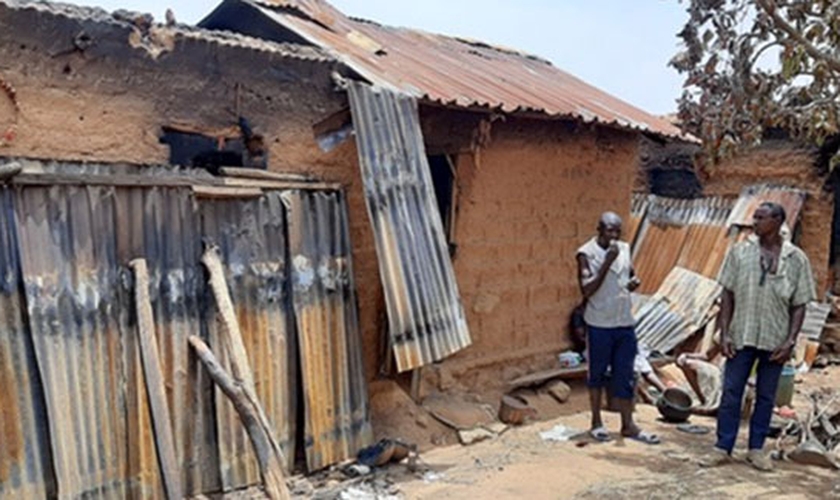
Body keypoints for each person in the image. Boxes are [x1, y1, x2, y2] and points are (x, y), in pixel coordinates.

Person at [700, 202, 815, 471]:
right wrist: (725, 333)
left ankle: (756, 449)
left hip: (776, 339)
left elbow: (800, 304)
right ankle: (722, 447)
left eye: (761, 218)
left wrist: (790, 341)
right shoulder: (740, 253)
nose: (755, 222)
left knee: (766, 396)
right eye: (755, 217)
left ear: (777, 221)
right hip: (742, 334)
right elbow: (726, 294)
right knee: (731, 392)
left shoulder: (796, 259)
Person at [576, 211, 659, 444]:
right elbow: (587, 289)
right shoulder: (586, 254)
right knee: (597, 374)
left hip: (623, 322)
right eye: (609, 230)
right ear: (599, 229)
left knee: (625, 374)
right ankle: (596, 422)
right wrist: (606, 263)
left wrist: (634, 282)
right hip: (599, 323)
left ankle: (628, 425)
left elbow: (630, 273)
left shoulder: (623, 248)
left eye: (617, 231)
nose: (614, 235)